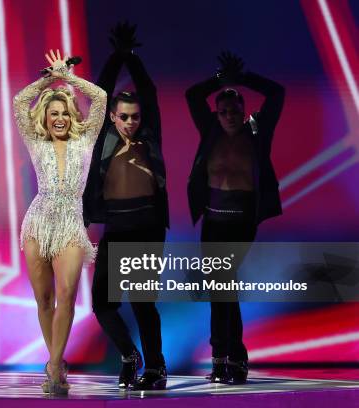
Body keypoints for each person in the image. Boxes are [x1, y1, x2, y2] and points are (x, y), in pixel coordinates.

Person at [185, 51, 285, 384]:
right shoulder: (210, 130)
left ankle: (227, 358)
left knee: (223, 284)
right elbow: (192, 95)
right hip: (213, 221)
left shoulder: (257, 133)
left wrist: (240, 78)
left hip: (242, 220)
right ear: (217, 113)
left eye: (235, 109)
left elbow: (277, 93)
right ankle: (227, 359)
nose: (229, 115)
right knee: (221, 290)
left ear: (244, 111)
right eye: (223, 110)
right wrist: (220, 81)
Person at [13, 49, 106, 394]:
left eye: (64, 112)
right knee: (44, 300)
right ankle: (56, 362)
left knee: (67, 294)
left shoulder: (85, 140)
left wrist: (67, 77)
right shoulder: (36, 142)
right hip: (38, 221)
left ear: (71, 115)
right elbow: (20, 101)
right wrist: (49, 79)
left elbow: (100, 98)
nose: (59, 118)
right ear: (46, 117)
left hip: (70, 221)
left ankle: (54, 366)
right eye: (53, 113)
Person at [83, 22, 168, 390]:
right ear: (113, 117)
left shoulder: (149, 136)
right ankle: (129, 356)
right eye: (125, 116)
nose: (131, 122)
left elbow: (148, 91)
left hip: (146, 226)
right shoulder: (104, 137)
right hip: (116, 227)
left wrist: (132, 58)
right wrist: (117, 57)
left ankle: (155, 368)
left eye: (135, 116)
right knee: (102, 304)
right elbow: (100, 94)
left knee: (143, 303)